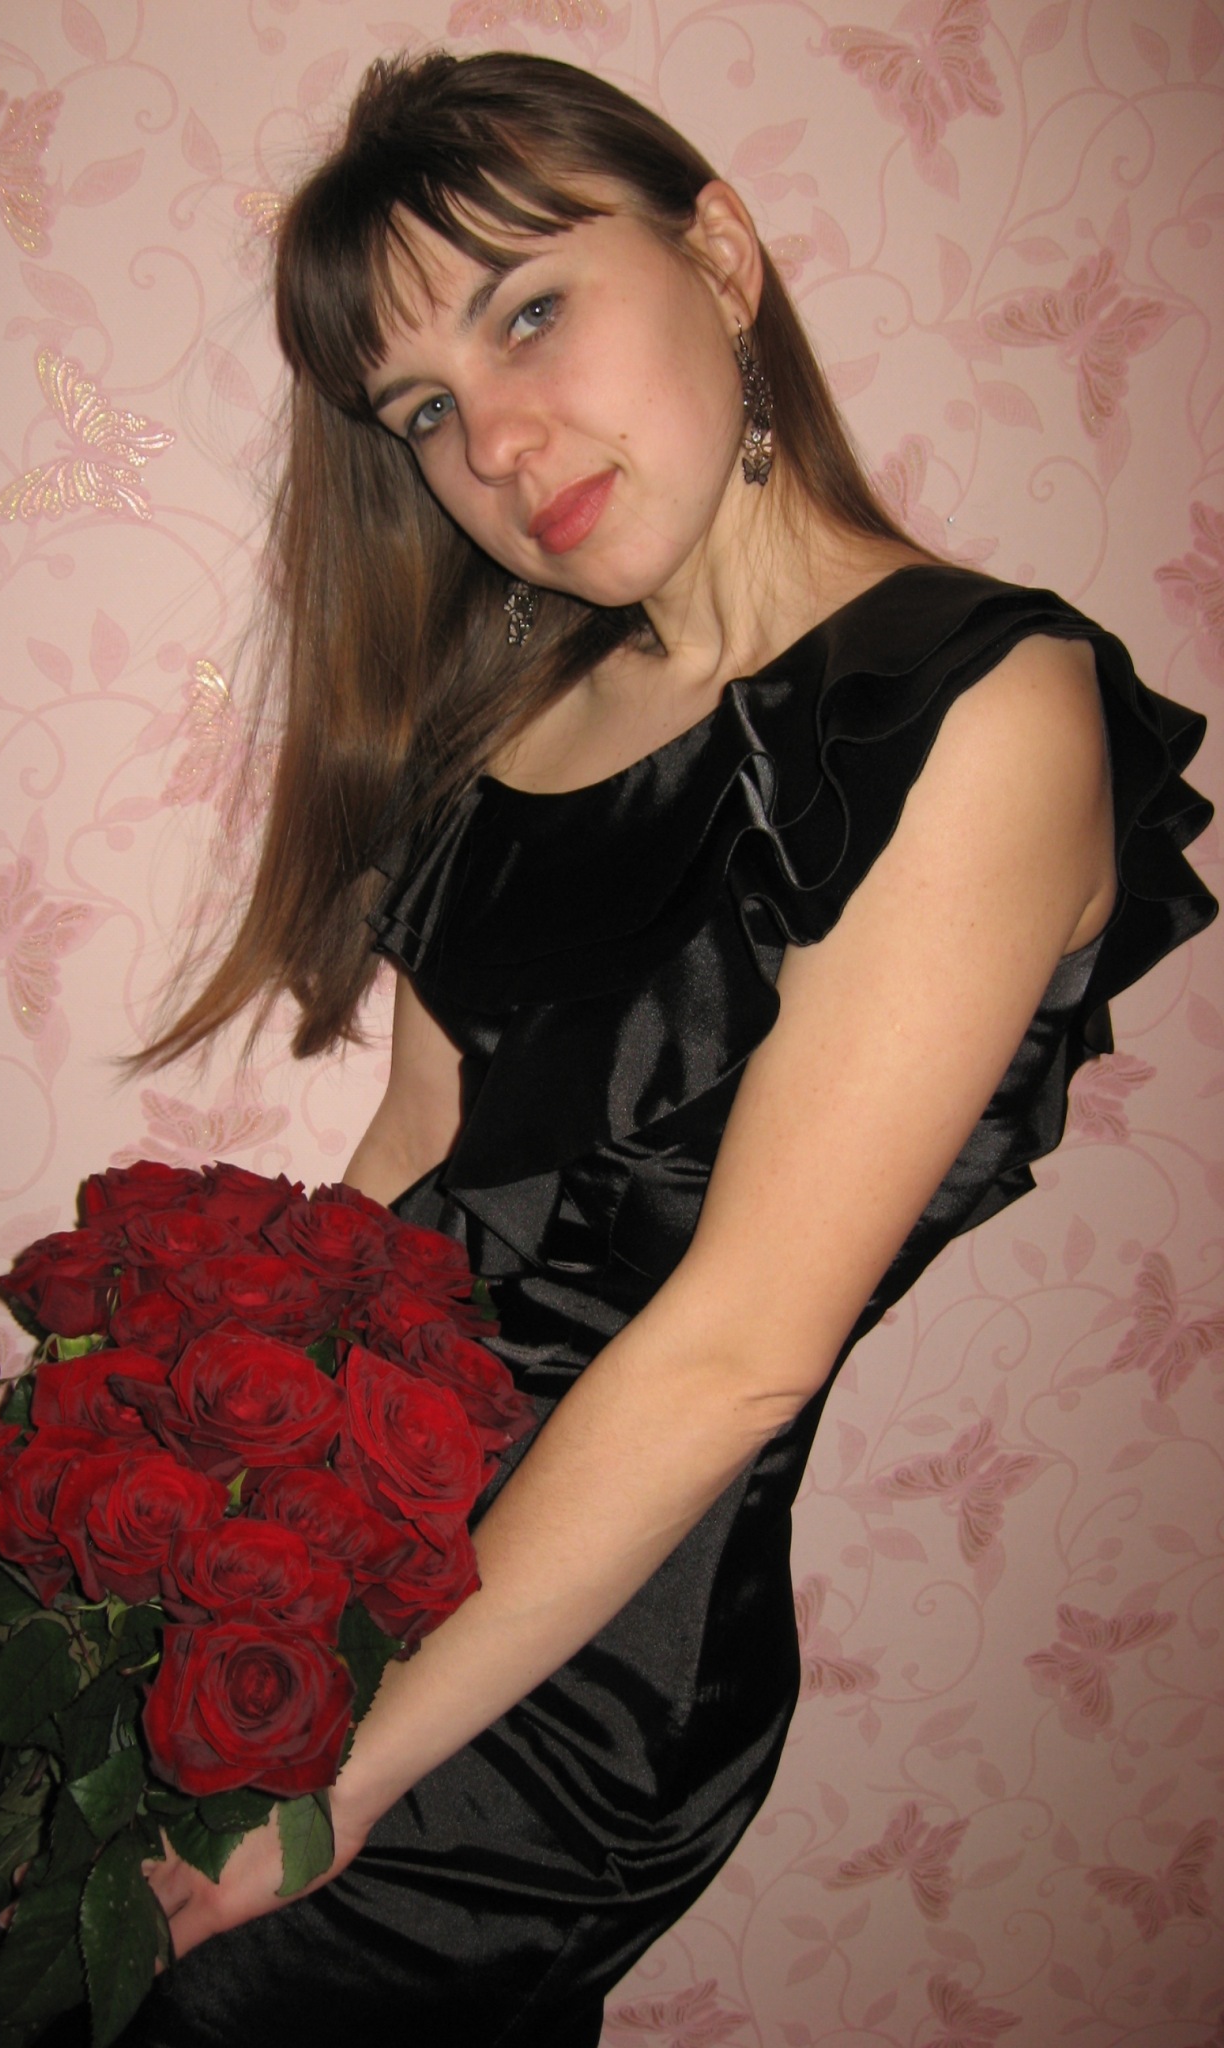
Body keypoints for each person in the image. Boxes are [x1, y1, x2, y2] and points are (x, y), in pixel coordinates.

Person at [119, 49, 1215, 2048]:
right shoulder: (519, 719)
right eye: (423, 409)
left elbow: (740, 1348)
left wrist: (339, 1771)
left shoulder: (978, 709)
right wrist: (212, 1531)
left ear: (719, 255)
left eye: (529, 309)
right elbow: (410, 1164)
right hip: (358, 1583)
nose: (494, 440)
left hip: (564, 1673)